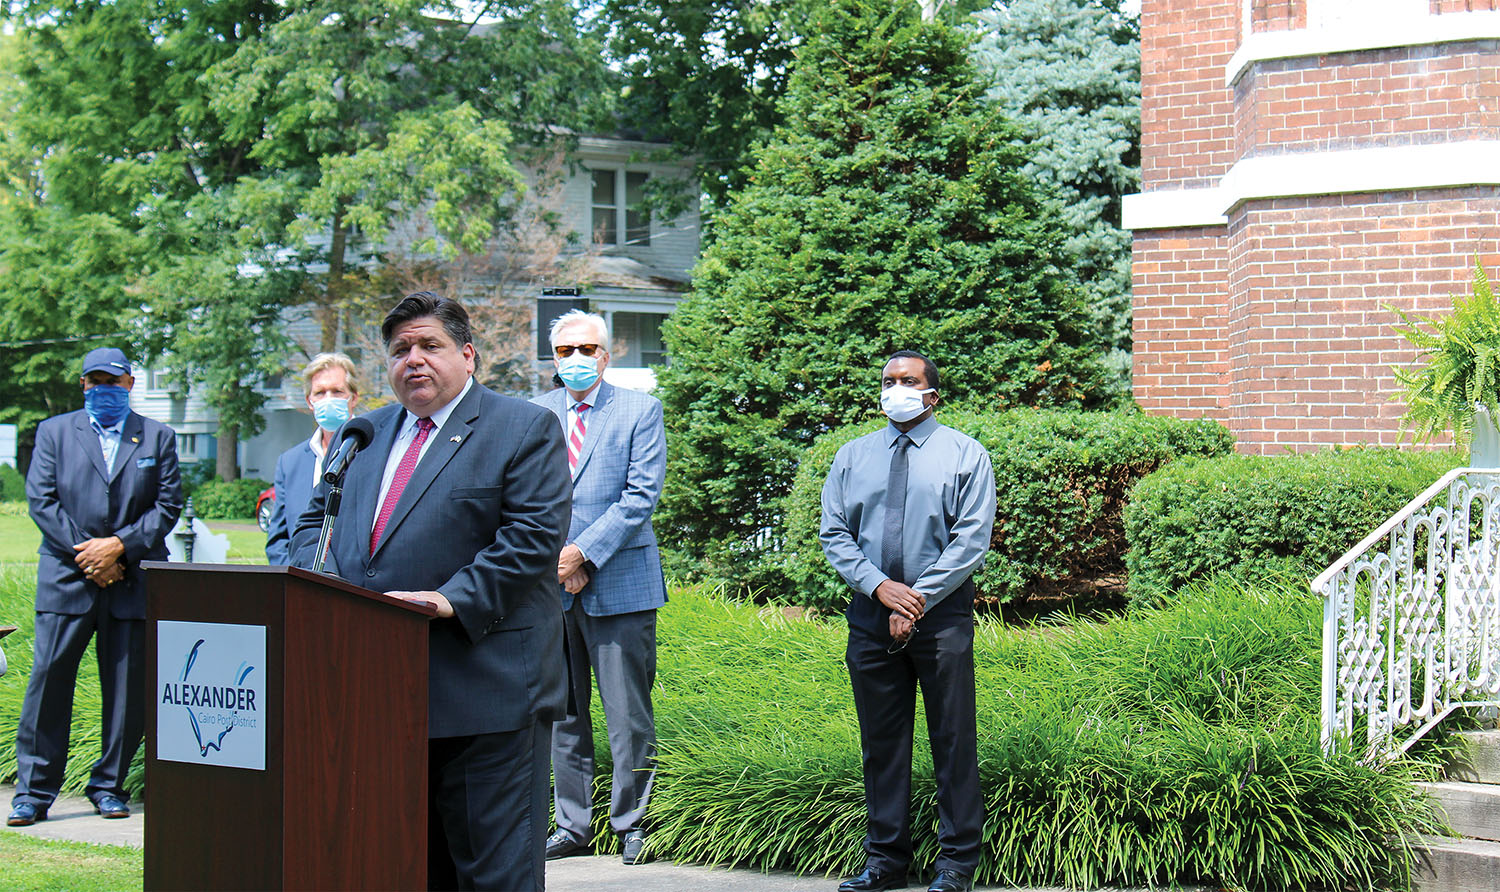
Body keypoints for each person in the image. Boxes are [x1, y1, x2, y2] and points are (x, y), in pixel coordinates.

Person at [290, 292, 570, 891]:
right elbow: (315, 524)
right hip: (382, 696)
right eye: (399, 350)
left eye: (429, 346)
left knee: (493, 879)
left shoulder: (522, 427)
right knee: (407, 871)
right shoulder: (364, 435)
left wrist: (450, 599)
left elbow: (532, 536)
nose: (413, 360)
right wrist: (330, 597)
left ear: (467, 356)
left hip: (485, 694)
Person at [819, 351, 995, 892]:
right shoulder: (852, 457)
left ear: (932, 395)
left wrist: (915, 599)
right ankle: (885, 863)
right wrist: (882, 590)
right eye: (889, 381)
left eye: (909, 381)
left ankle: (957, 865)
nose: (897, 389)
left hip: (941, 618)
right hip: (871, 616)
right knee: (882, 743)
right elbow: (834, 534)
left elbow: (971, 539)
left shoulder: (966, 455)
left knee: (953, 739)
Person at [8, 347, 183, 827]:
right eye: (96, 379)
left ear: (130, 385)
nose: (106, 387)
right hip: (68, 579)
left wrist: (119, 548)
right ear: (84, 385)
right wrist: (91, 555)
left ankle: (109, 785)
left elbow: (168, 507)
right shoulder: (54, 432)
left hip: (131, 581)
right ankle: (33, 793)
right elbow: (42, 502)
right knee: (48, 684)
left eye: (115, 379)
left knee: (127, 691)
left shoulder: (158, 436)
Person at [532, 310, 667, 867]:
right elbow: (526, 499)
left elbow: (640, 495)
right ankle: (572, 825)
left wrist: (581, 553)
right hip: (552, 589)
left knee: (627, 713)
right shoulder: (535, 416)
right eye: (566, 351)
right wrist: (557, 564)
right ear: (554, 358)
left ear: (606, 354)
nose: (577, 360)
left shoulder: (639, 409)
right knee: (564, 713)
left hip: (620, 583)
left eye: (588, 349)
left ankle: (633, 823)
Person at [264, 353, 361, 564]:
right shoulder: (290, 463)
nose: (328, 399)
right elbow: (279, 540)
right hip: (300, 588)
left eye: (337, 392)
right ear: (310, 401)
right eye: (320, 392)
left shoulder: (377, 449)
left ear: (353, 397)